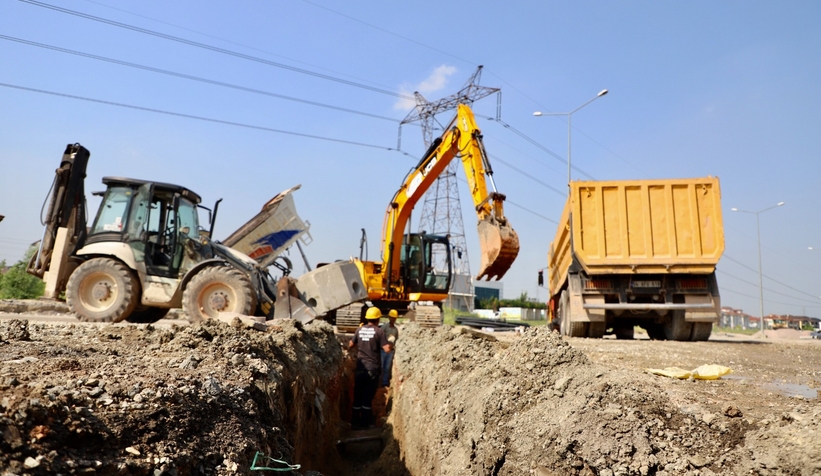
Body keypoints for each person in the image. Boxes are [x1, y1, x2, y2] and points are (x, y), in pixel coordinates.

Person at [348, 306, 390, 429]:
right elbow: (387, 349)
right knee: (367, 396)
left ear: (367, 318)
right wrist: (391, 344)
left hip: (360, 368)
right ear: (378, 319)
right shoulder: (379, 331)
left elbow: (351, 344)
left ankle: (354, 422)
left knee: (358, 395)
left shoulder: (359, 330)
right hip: (373, 369)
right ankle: (365, 423)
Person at [380, 309, 399, 387]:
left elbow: (396, 339)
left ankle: (385, 383)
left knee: (387, 368)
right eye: (392, 317)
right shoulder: (384, 327)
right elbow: (379, 337)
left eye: (394, 318)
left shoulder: (395, 329)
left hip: (390, 351)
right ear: (389, 317)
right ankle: (378, 382)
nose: (393, 319)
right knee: (380, 367)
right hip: (382, 350)